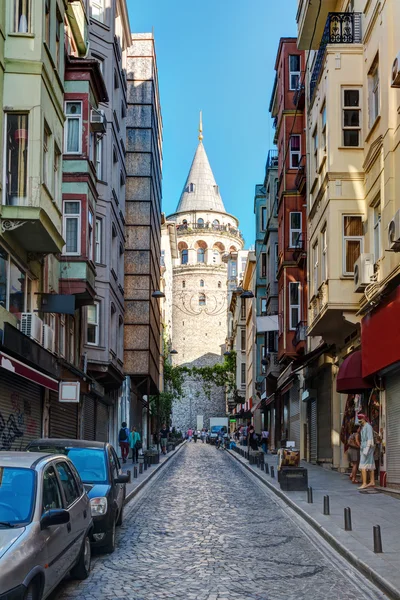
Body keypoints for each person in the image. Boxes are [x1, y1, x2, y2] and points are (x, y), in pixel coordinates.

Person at [358, 413, 375, 489]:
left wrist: (367, 448)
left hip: (367, 447)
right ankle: (372, 481)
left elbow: (370, 438)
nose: (359, 420)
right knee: (370, 464)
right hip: (365, 447)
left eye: (360, 419)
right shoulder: (364, 427)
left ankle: (364, 483)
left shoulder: (368, 426)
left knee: (363, 465)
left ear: (364, 418)